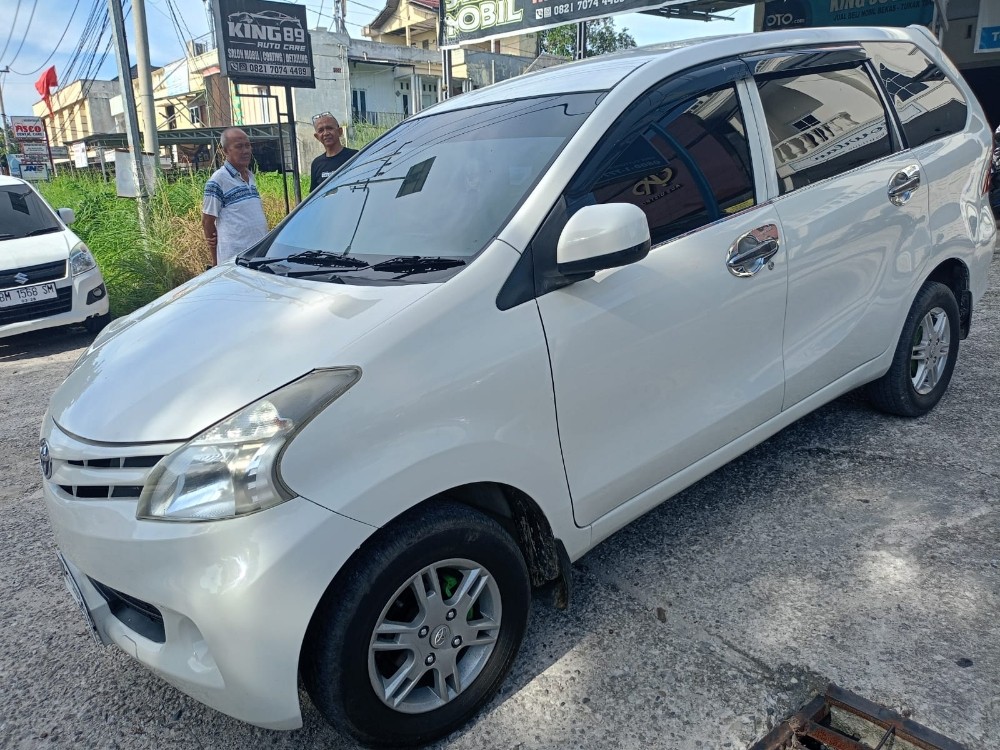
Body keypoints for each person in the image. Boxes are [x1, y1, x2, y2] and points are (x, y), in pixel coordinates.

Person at [201, 127, 269, 265]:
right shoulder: (218, 180)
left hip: (258, 256)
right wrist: (215, 261)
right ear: (225, 151)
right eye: (239, 146)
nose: (246, 151)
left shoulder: (250, 176)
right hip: (234, 260)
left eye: (247, 145)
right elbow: (207, 221)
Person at [309, 113, 357, 193]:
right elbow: (314, 195)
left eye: (329, 128)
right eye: (321, 130)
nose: (326, 133)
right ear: (317, 137)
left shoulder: (355, 157)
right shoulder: (317, 163)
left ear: (340, 131)